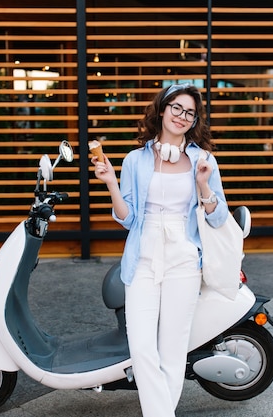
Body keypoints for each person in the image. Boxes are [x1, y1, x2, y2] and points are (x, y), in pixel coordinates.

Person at [91, 83, 229, 417]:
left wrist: (202, 185)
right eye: (176, 108)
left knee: (172, 351)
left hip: (184, 261)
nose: (182, 116)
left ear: (195, 121)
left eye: (190, 113)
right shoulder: (135, 159)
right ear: (162, 110)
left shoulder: (203, 160)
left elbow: (219, 216)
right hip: (143, 260)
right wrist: (111, 183)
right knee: (140, 348)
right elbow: (128, 219)